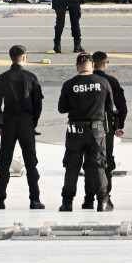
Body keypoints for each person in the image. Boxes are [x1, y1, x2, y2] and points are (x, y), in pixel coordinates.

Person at [0, 44, 45, 210]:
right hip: (26, 122)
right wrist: (32, 123)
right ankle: (35, 199)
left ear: (10, 57)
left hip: (9, 122)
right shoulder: (31, 77)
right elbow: (38, 104)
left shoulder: (3, 78)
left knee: (4, 162)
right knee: (30, 163)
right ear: (25, 57)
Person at [57, 52, 114, 212]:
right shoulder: (103, 82)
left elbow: (62, 108)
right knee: (98, 166)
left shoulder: (69, 84)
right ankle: (103, 201)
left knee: (72, 166)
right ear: (93, 66)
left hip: (75, 129)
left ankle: (67, 202)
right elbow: (111, 108)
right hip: (96, 130)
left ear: (77, 67)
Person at [84, 51, 127, 209]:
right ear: (105, 63)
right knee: (105, 161)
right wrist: (119, 125)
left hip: (85, 126)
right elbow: (122, 106)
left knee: (89, 161)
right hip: (105, 125)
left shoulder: (85, 80)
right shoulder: (111, 82)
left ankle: (88, 199)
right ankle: (105, 197)